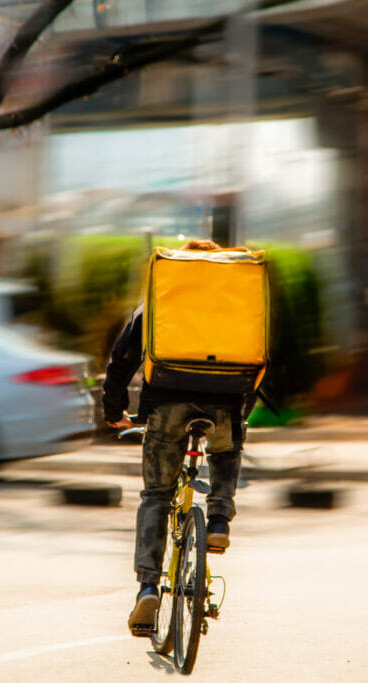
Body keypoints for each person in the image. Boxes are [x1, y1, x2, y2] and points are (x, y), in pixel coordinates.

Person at [103, 238, 254, 636]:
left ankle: (148, 588)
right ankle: (219, 517)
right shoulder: (237, 305)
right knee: (226, 449)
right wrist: (242, 408)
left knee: (156, 494)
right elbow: (260, 358)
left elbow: (121, 360)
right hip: (225, 401)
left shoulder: (159, 302)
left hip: (167, 404)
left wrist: (113, 410)